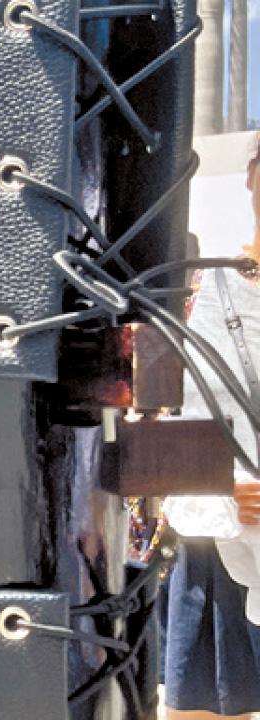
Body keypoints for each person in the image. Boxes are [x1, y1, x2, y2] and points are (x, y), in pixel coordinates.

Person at [162, 136, 260, 719]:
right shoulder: (200, 288)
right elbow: (158, 418)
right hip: (220, 551)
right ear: (252, 179)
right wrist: (217, 491)